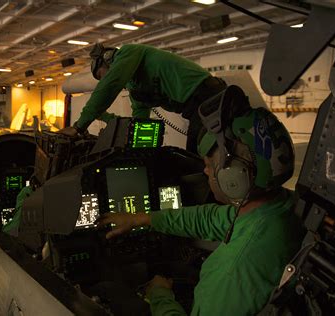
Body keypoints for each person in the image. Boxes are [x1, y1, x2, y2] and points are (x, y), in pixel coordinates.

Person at [96, 104, 303, 315]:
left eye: (210, 166)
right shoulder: (279, 207)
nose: (205, 171)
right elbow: (209, 218)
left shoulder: (233, 274)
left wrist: (160, 295)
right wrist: (142, 218)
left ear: (234, 177)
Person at [59, 43, 227, 153]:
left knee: (198, 158)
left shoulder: (129, 52)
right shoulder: (136, 88)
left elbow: (110, 85)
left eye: (105, 75)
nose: (106, 80)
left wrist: (79, 127)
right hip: (197, 109)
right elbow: (139, 123)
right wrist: (104, 118)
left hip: (209, 97)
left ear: (109, 60)